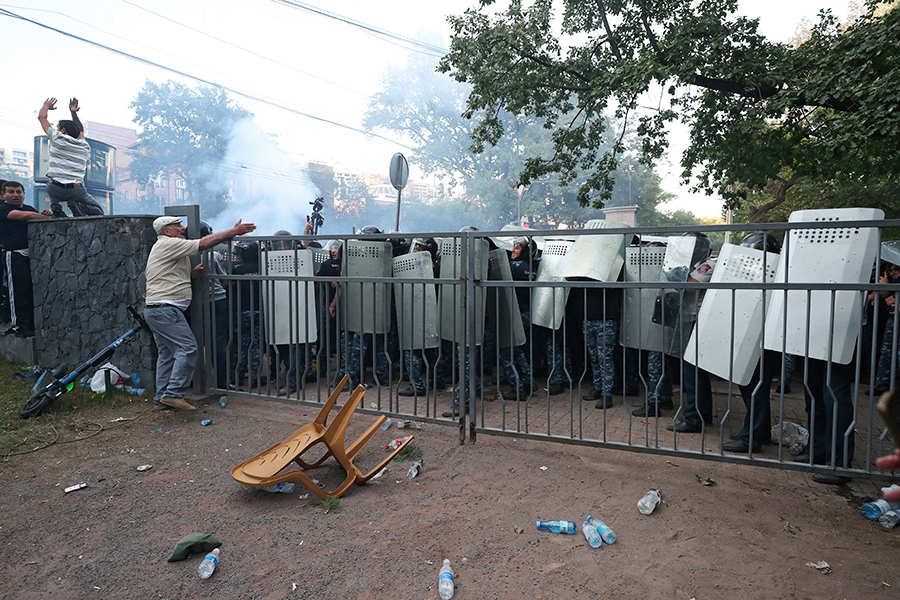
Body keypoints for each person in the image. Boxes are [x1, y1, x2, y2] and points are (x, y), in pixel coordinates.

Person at [144, 215, 256, 411]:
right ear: (166, 231)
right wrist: (233, 231)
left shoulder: (164, 247)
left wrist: (191, 274)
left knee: (167, 354)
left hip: (158, 309)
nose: (182, 228)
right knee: (188, 348)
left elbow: (166, 274)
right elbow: (203, 244)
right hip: (166, 309)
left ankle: (161, 398)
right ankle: (173, 394)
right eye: (177, 225)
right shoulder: (168, 243)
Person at [37, 98, 105, 217]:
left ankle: (56, 208)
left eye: (57, 127)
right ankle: (78, 205)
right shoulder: (84, 145)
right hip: (76, 190)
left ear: (63, 130)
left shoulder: (57, 138)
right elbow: (81, 130)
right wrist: (73, 112)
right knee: (98, 210)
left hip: (55, 188)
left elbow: (42, 118)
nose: (56, 129)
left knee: (51, 184)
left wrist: (45, 106)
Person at [0, 180, 52, 337]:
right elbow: (23, 216)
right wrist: (40, 217)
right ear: (3, 195)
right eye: (11, 192)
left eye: (18, 192)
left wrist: (46, 215)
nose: (15, 195)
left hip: (34, 256)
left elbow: (34, 217)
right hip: (15, 255)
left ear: (23, 194)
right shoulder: (3, 209)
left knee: (30, 292)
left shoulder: (30, 208)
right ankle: (20, 328)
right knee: (17, 292)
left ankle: (30, 325)